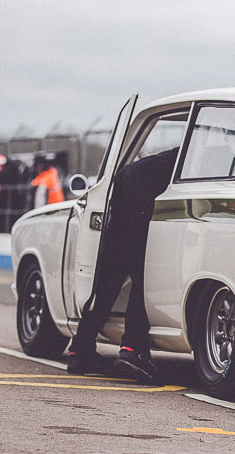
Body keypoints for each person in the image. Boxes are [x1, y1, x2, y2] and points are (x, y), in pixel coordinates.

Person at [66, 148, 180, 384]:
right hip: (143, 191)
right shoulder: (198, 157)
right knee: (143, 277)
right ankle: (132, 349)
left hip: (125, 185)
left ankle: (79, 350)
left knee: (108, 280)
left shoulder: (162, 159)